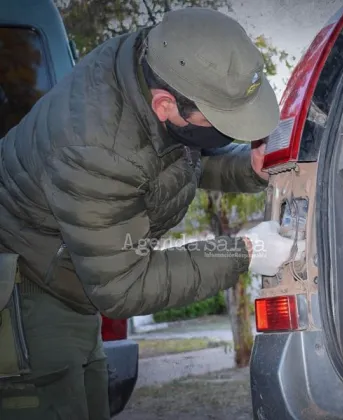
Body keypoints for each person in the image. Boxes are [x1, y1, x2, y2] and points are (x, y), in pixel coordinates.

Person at [0, 7, 303, 420]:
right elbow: (123, 284)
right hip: (27, 294)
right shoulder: (96, 146)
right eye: (222, 123)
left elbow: (175, 159)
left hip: (73, 276)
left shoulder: (158, 64)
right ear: (165, 105)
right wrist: (244, 252)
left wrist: (245, 168)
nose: (229, 134)